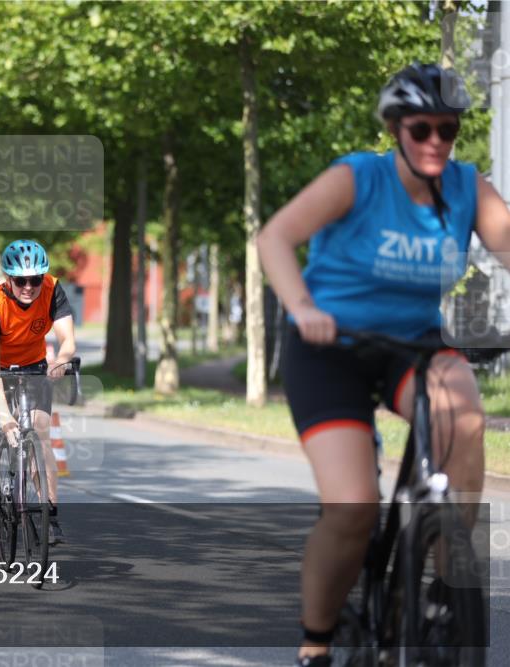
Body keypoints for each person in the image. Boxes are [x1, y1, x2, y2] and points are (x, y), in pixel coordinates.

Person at [258, 63, 510, 666]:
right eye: (421, 128)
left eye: (446, 131)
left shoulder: (468, 189)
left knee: (464, 412)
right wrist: (301, 307)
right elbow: (275, 238)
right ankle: (316, 641)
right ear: (397, 129)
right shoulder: (358, 177)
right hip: (329, 347)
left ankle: (449, 588)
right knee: (353, 509)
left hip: (413, 346)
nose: (434, 142)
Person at [0, 239, 77, 544]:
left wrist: (62, 361)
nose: (29, 286)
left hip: (33, 364)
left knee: (40, 432)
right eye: (21, 280)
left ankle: (49, 515)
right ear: (8, 280)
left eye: (35, 279)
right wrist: (5, 417)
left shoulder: (53, 290)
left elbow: (68, 340)